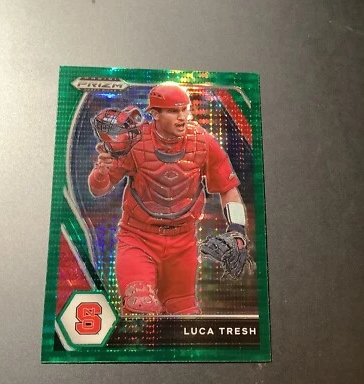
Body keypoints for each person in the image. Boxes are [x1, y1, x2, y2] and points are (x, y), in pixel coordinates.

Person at [88, 83, 248, 315]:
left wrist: (238, 230)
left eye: (185, 109)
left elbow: (228, 187)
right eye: (174, 111)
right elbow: (99, 189)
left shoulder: (202, 141)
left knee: (184, 314)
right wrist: (101, 171)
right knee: (140, 305)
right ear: (155, 114)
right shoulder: (134, 142)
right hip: (139, 239)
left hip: (182, 243)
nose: (182, 117)